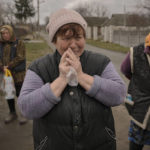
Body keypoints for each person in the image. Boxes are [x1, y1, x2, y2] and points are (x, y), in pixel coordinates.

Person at [18, 8, 126, 150]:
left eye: (78, 37)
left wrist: (81, 76)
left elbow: (119, 94)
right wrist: (62, 78)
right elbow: (27, 108)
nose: (73, 44)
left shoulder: (101, 62)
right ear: (54, 41)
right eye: (66, 38)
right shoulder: (39, 68)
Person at [121, 33, 150, 150]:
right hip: (140, 110)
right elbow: (125, 69)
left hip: (139, 108)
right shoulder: (136, 53)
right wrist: (138, 82)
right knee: (136, 143)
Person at [0, 25, 27, 124]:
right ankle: (12, 113)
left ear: (11, 33)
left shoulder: (19, 42)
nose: (5, 35)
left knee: (20, 94)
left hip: (18, 74)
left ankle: (24, 114)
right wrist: (2, 66)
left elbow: (20, 57)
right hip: (6, 74)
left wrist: (9, 66)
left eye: (7, 33)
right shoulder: (1, 44)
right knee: (9, 93)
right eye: (3, 34)